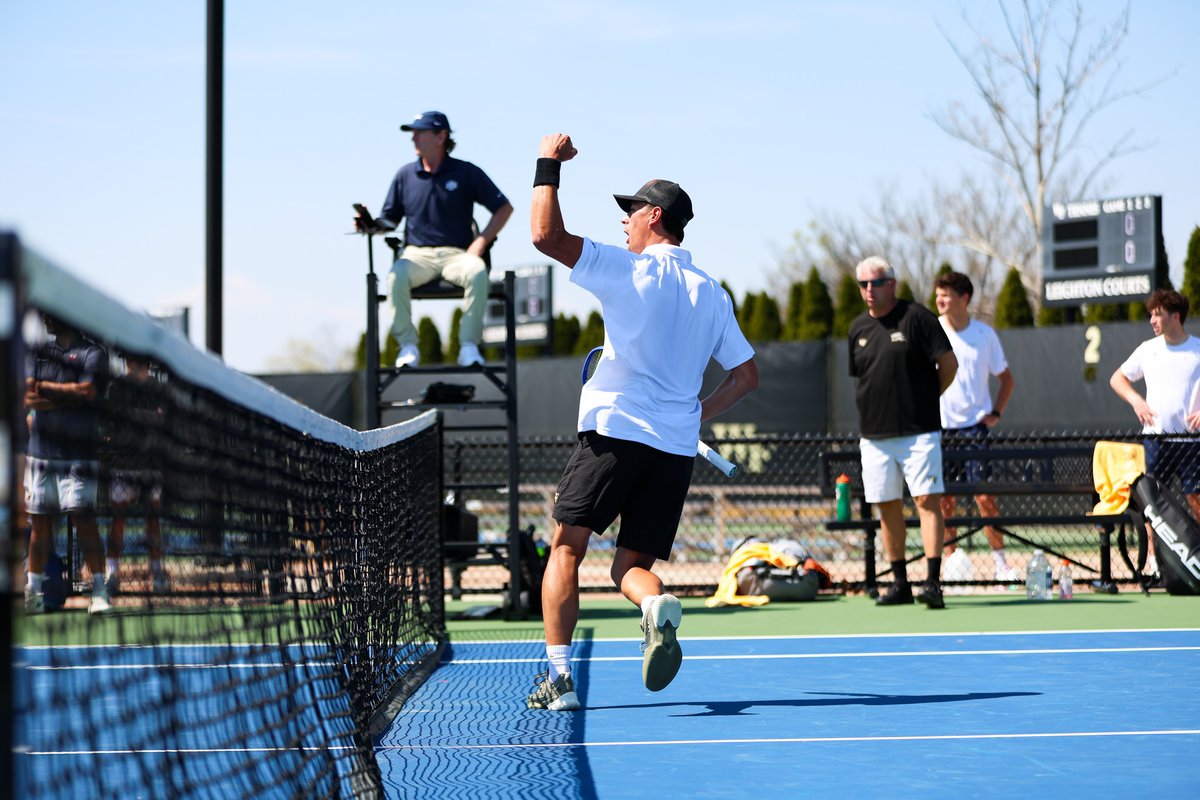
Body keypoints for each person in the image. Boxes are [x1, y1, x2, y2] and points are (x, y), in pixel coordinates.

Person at [526, 133, 759, 711]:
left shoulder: (628, 268)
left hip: (614, 436)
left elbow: (543, 236)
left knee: (565, 550)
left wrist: (547, 164)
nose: (625, 222)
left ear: (655, 217)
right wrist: (693, 414)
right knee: (631, 568)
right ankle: (656, 607)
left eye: (630, 212)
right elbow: (747, 376)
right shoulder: (714, 292)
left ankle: (559, 682)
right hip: (674, 450)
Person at [354, 110, 513, 368]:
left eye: (420, 132)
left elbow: (504, 208)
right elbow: (389, 219)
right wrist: (370, 224)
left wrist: (480, 243)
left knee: (477, 272)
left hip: (458, 255)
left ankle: (469, 347)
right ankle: (407, 347)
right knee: (396, 276)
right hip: (417, 255)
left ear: (441, 137)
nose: (414, 138)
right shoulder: (404, 175)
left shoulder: (466, 172)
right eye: (413, 133)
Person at [848, 257, 958, 609]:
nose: (869, 290)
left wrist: (927, 399)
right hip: (874, 437)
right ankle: (900, 585)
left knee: (927, 502)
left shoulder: (919, 318)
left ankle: (932, 583)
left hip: (919, 433)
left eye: (876, 283)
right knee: (887, 508)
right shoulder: (858, 329)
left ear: (892, 284)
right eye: (863, 284)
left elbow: (949, 365)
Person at [933, 271, 1018, 581]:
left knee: (985, 498)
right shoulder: (930, 331)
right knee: (944, 501)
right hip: (939, 430)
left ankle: (1001, 565)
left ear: (964, 299)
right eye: (937, 294)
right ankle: (951, 565)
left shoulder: (985, 334)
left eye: (946, 294)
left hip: (974, 431)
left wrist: (995, 412)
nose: (939, 299)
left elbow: (1006, 378)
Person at [24, 315, 111, 614]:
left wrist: (46, 389)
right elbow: (29, 396)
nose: (45, 319)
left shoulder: (94, 354)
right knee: (40, 523)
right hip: (40, 454)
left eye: (51, 314)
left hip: (79, 455)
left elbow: (88, 392)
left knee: (82, 516)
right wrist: (68, 395)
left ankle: (99, 591)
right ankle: (33, 592)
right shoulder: (37, 351)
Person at [1110, 289, 1200, 574]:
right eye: (1150, 314)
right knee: (1152, 503)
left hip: (1191, 441)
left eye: (1157, 314)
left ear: (1176, 316)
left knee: (1196, 497)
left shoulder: (1197, 349)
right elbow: (1118, 378)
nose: (1152, 319)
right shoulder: (1148, 349)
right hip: (1155, 440)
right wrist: (1137, 401)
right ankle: (1154, 560)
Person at [104, 354, 169, 596]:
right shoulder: (117, 387)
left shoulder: (159, 389)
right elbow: (116, 421)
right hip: (124, 463)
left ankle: (157, 571)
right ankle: (112, 573)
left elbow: (162, 421)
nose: (131, 364)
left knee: (152, 517)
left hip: (151, 464)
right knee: (118, 517)